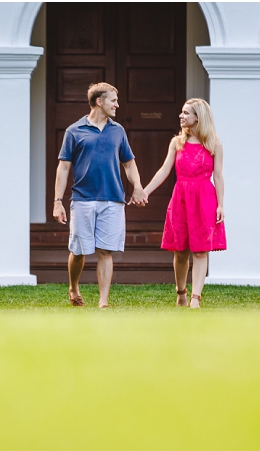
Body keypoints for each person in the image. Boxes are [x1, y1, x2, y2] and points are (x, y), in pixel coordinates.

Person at [53, 83, 148, 308]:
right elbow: (63, 168)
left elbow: (129, 163)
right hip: (83, 199)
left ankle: (103, 302)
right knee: (79, 251)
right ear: (99, 101)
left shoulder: (118, 131)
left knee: (106, 251)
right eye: (113, 100)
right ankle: (73, 287)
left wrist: (138, 186)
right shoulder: (74, 131)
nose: (117, 104)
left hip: (113, 199)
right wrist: (57, 202)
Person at [142, 98, 225, 308]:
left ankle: (196, 298)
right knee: (180, 252)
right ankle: (181, 292)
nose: (181, 116)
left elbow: (218, 176)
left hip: (205, 199)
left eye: (186, 113)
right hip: (181, 198)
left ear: (199, 117)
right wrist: (146, 191)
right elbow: (164, 170)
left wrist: (221, 205)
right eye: (182, 112)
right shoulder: (176, 143)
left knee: (200, 250)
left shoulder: (214, 144)